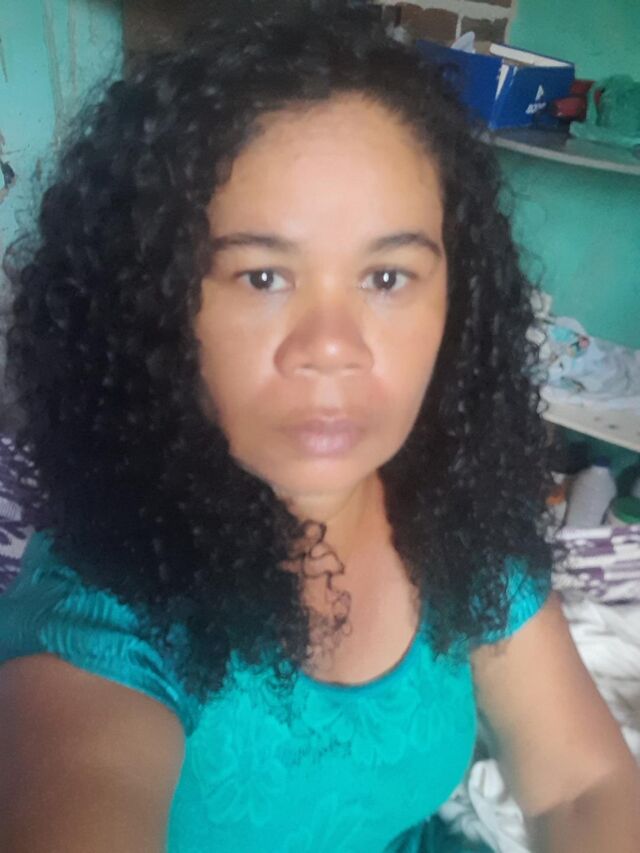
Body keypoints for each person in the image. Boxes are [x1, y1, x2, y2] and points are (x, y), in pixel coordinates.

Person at [1, 5, 639, 852]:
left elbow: (583, 784)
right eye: (262, 276)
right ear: (151, 305)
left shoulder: (456, 520)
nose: (333, 346)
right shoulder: (100, 625)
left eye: (387, 276)